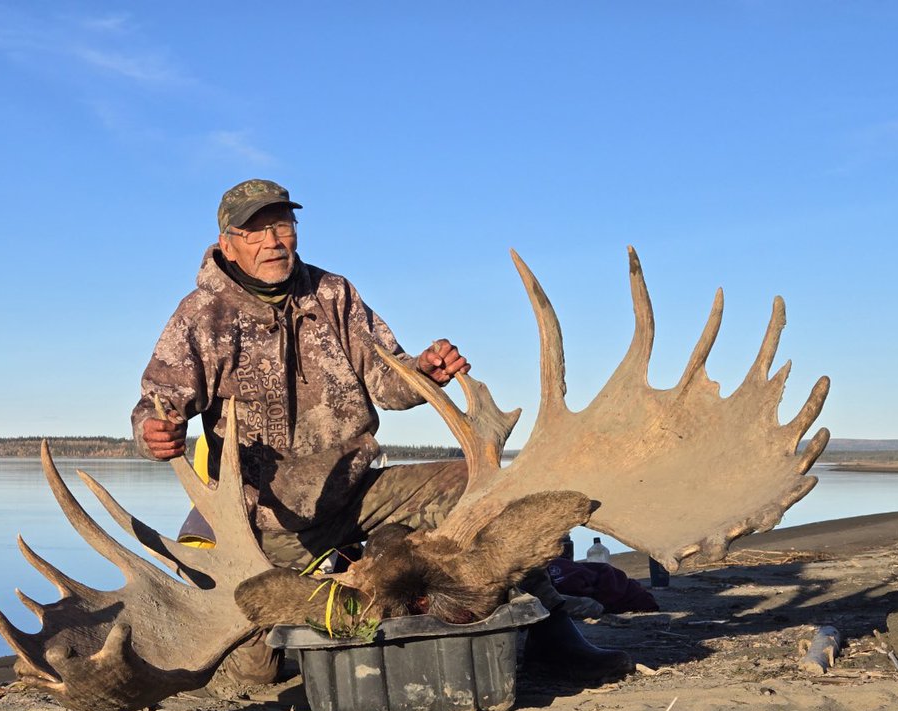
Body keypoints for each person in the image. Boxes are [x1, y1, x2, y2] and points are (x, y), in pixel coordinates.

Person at [133, 179, 631, 684]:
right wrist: (153, 431)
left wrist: (424, 371)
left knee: (477, 487)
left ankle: (552, 631)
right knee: (255, 674)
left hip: (358, 495)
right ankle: (319, 620)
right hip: (264, 522)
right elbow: (158, 402)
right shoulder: (199, 315)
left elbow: (388, 382)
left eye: (282, 225)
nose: (273, 241)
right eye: (255, 231)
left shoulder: (334, 294)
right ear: (227, 244)